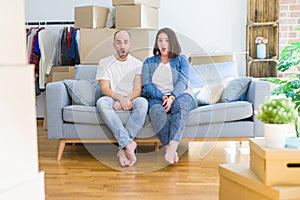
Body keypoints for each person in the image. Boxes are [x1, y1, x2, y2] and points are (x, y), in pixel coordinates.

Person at [142, 27, 197, 164]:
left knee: (181, 105)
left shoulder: (181, 60)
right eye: (160, 40)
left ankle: (173, 146)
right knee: (155, 110)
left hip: (181, 95)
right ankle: (168, 148)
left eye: (166, 40)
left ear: (172, 42)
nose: (163, 44)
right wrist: (162, 97)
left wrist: (172, 97)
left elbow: (183, 81)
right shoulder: (148, 62)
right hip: (157, 97)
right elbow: (147, 84)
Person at [96, 30, 148, 167]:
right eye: (119, 42)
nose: (122, 46)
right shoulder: (104, 62)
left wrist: (126, 100)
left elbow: (138, 89)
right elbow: (105, 89)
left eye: (125, 42)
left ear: (130, 44)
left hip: (131, 98)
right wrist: (120, 100)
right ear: (114, 45)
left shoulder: (138, 64)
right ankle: (128, 143)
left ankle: (122, 148)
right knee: (101, 102)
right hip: (112, 97)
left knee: (143, 103)